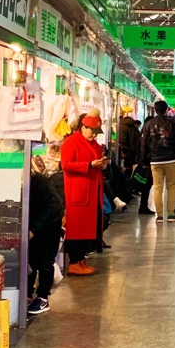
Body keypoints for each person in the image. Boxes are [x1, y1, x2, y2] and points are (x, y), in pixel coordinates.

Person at [60, 114, 109, 276]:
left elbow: (96, 163)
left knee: (88, 228)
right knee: (77, 228)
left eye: (96, 132)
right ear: (83, 127)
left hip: (92, 191)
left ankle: (81, 260)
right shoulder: (70, 143)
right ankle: (75, 263)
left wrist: (102, 165)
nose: (94, 135)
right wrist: (89, 165)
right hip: (78, 192)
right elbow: (66, 165)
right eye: (92, 131)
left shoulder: (95, 145)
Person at [27, 152, 64, 316]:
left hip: (50, 224)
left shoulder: (39, 182)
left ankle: (43, 297)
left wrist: (33, 230)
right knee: (29, 260)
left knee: (45, 261)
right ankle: (28, 294)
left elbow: (51, 207)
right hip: (34, 224)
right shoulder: (21, 183)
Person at [139, 100, 175, 223]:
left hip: (155, 161)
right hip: (170, 159)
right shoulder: (172, 123)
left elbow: (143, 143)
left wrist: (143, 161)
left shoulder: (148, 124)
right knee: (171, 187)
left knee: (158, 188)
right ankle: (171, 214)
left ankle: (160, 215)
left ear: (155, 109)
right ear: (166, 110)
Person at [116, 111, 140, 183]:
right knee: (128, 168)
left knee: (119, 167)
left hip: (119, 151)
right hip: (129, 152)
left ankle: (120, 183)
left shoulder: (118, 126)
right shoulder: (133, 128)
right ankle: (127, 183)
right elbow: (135, 142)